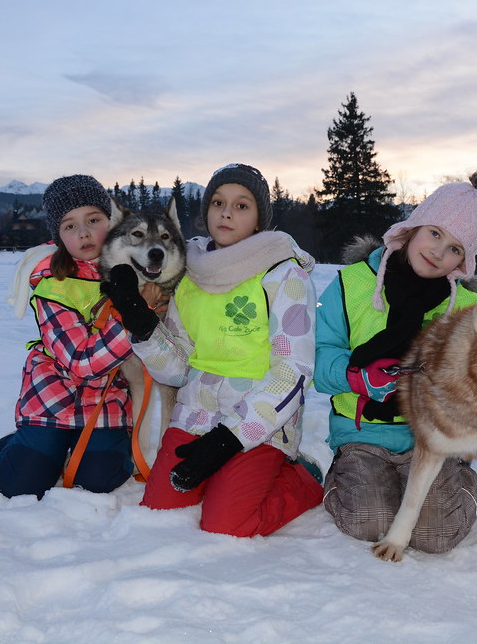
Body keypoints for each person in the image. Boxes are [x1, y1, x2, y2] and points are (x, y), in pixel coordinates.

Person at [103, 163, 322, 537]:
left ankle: (305, 477)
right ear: (205, 213)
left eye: (241, 206)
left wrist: (229, 440)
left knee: (226, 523)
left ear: (259, 220)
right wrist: (140, 322)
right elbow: (175, 369)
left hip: (259, 423)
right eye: (218, 202)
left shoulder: (284, 275)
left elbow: (293, 372)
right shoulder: (191, 275)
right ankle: (230, 475)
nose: (226, 212)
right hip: (195, 414)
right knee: (159, 508)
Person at [314, 170, 477, 553]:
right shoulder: (352, 284)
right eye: (435, 233)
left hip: (431, 441)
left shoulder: (468, 309)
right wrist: (357, 376)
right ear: (413, 227)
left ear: (464, 262)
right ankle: (345, 475)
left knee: (434, 536)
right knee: (370, 523)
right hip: (362, 434)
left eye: (455, 249)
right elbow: (317, 357)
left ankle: (459, 479)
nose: (438, 252)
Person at [0, 174, 162, 499]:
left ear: (111, 222)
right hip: (52, 396)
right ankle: (19, 443)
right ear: (58, 236)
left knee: (100, 478)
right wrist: (133, 318)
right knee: (19, 483)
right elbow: (80, 362)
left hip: (106, 400)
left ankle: (82, 447)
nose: (83, 232)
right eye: (69, 226)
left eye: (93, 220)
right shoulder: (54, 285)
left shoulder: (138, 270)